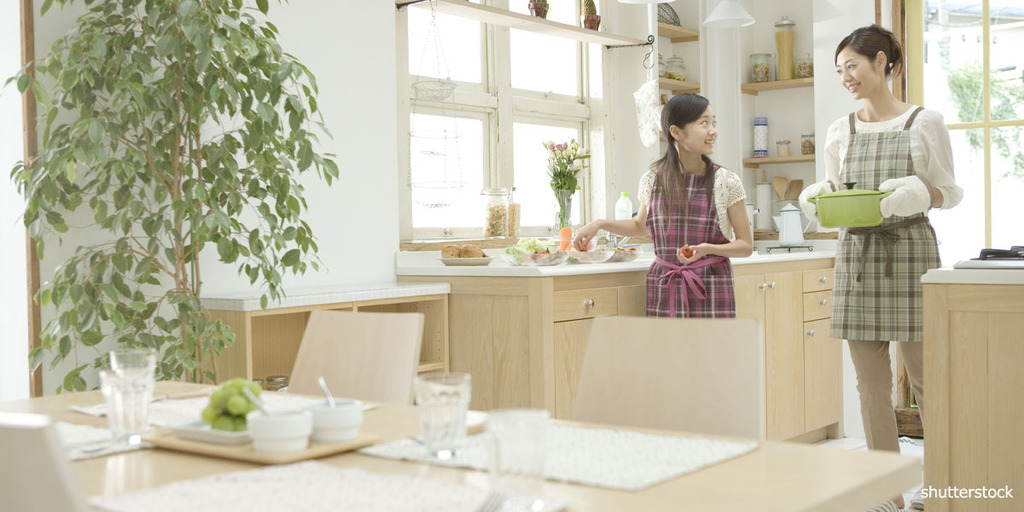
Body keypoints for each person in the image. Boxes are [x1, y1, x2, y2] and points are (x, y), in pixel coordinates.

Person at [798, 24, 962, 510]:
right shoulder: (839, 130)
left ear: (882, 63)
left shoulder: (923, 122)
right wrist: (818, 199)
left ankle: (941, 486)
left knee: (929, 382)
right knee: (871, 386)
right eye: (839, 70)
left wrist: (921, 194)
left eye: (853, 66)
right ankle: (885, 492)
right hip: (858, 261)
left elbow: (950, 193)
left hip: (911, 254)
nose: (846, 77)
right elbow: (836, 193)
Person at [573, 93, 752, 318]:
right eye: (704, 123)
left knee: (710, 353)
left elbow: (745, 246)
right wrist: (599, 224)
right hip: (665, 287)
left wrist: (707, 249)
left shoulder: (726, 181)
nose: (713, 131)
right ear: (676, 132)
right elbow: (641, 227)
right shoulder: (652, 179)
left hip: (712, 288)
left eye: (713, 122)